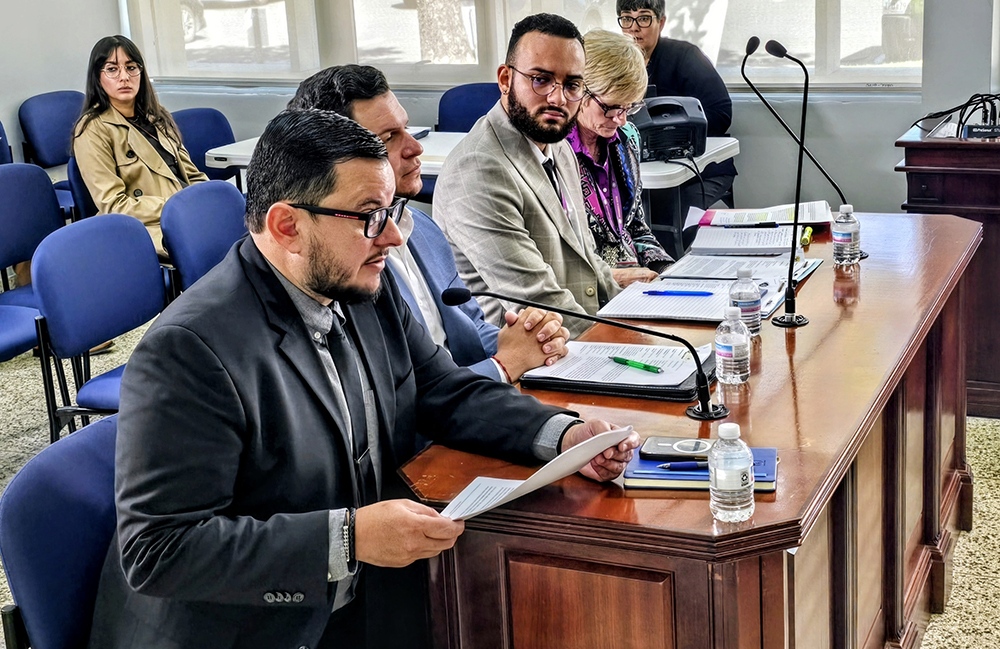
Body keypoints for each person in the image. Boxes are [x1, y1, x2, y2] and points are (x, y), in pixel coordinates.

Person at [86, 108, 639, 649]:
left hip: (365, 598)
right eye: (370, 215)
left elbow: (445, 391)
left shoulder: (358, 284)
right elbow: (159, 550)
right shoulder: (190, 350)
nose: (394, 238)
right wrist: (347, 539)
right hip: (250, 625)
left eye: (393, 211)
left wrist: (564, 437)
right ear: (288, 226)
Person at [288, 65, 570, 382]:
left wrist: (530, 339)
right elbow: (401, 391)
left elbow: (471, 327)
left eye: (407, 129)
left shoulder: (421, 227)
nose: (415, 147)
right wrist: (502, 367)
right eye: (389, 138)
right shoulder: (336, 265)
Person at [433, 14, 622, 339]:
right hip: (526, 356)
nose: (558, 98)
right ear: (505, 79)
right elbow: (537, 301)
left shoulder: (558, 146)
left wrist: (642, 323)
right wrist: (625, 343)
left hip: (581, 338)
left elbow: (592, 262)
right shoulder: (478, 169)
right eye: (541, 79)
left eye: (572, 85)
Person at [73, 35, 208, 257]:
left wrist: (209, 200)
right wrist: (178, 208)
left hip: (186, 212)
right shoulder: (91, 129)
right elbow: (114, 205)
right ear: (98, 77)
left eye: (131, 67)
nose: (124, 77)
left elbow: (192, 175)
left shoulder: (157, 117)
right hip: (147, 226)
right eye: (112, 69)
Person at [617, 0, 737, 244]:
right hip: (641, 173)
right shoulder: (616, 64)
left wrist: (672, 136)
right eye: (627, 18)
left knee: (670, 220)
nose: (634, 28)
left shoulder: (685, 56)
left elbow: (721, 113)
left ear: (661, 22)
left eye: (644, 18)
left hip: (699, 171)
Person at [568, 29, 673, 287]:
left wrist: (669, 270)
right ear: (580, 91)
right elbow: (557, 260)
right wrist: (614, 279)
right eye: (612, 107)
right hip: (585, 295)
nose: (622, 119)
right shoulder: (553, 152)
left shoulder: (627, 137)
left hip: (635, 287)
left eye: (629, 107)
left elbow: (636, 227)